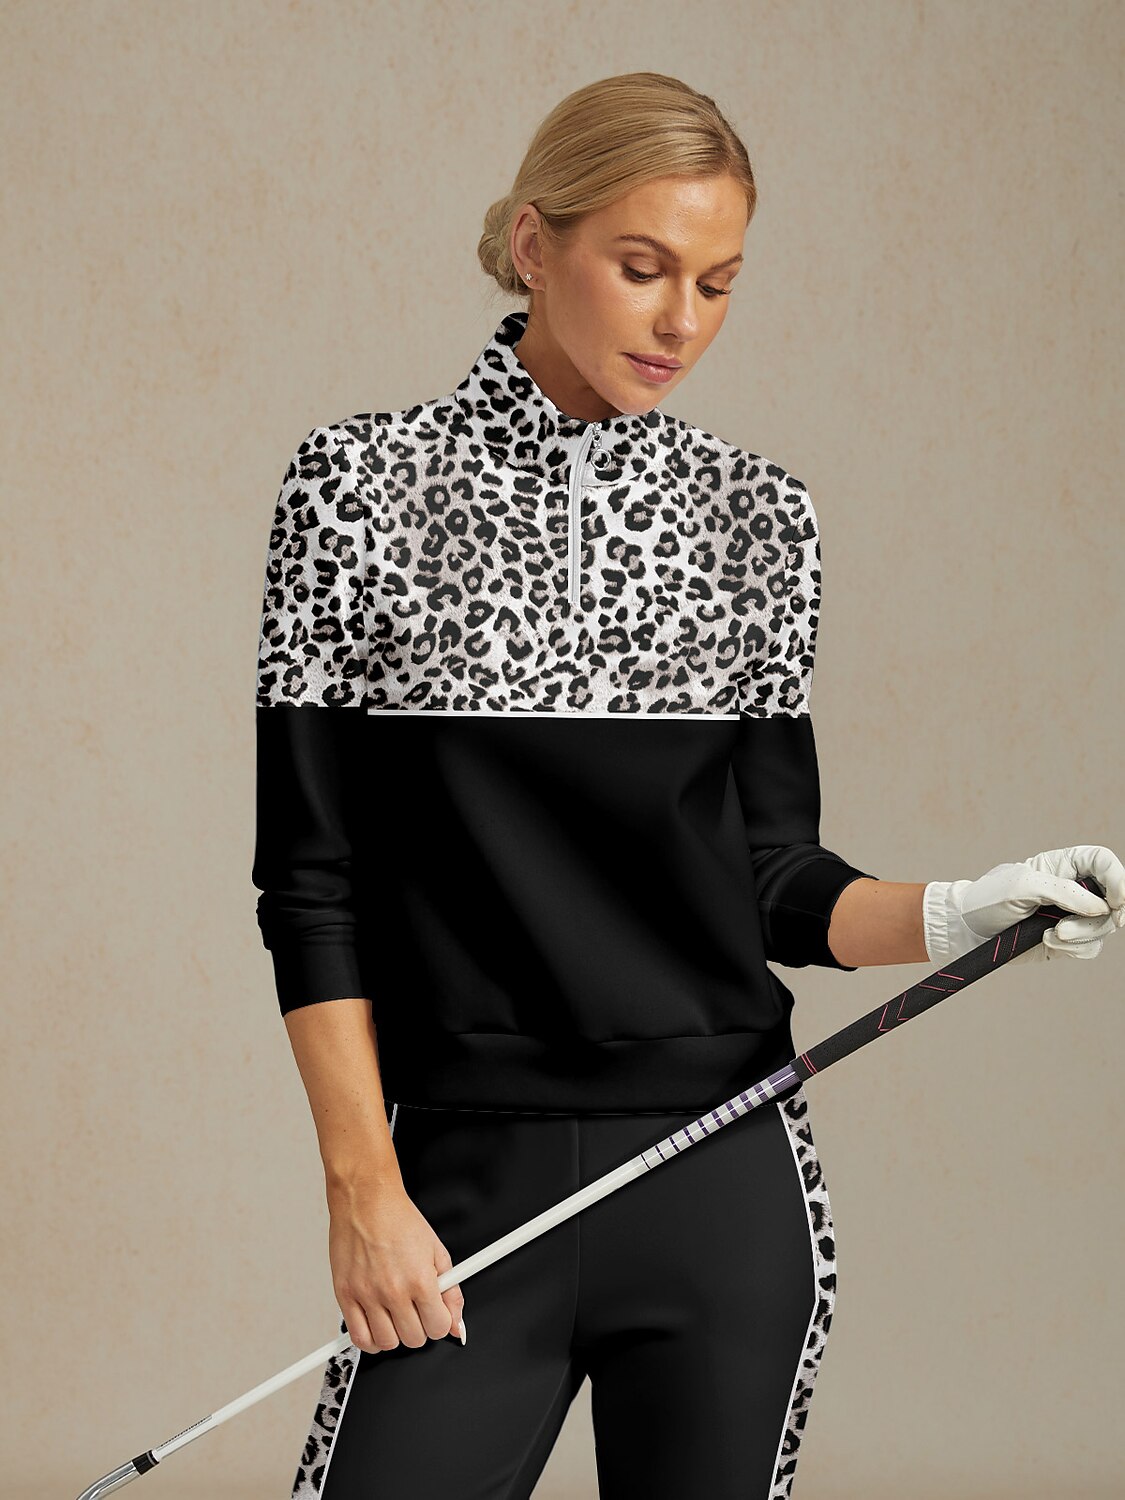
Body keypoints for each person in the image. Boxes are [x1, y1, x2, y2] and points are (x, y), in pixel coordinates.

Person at [251, 71, 1125, 1500]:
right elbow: (311, 885)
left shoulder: (759, 521)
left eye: (718, 284)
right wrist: (362, 1190)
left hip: (724, 1173)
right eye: (643, 267)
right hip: (466, 1181)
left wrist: (966, 908)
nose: (681, 323)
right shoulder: (357, 492)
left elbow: (772, 880)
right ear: (533, 244)